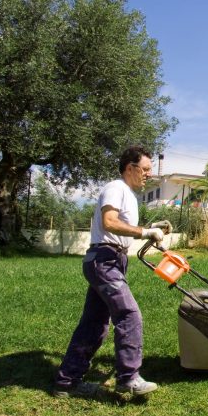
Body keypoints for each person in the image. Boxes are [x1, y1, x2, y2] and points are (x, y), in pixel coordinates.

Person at [53, 145, 170, 398]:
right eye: (146, 169)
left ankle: (67, 382)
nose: (149, 174)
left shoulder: (126, 193)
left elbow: (120, 228)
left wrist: (149, 228)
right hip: (105, 261)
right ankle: (128, 378)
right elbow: (109, 223)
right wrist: (144, 232)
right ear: (131, 168)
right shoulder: (116, 188)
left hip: (110, 260)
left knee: (94, 324)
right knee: (129, 314)